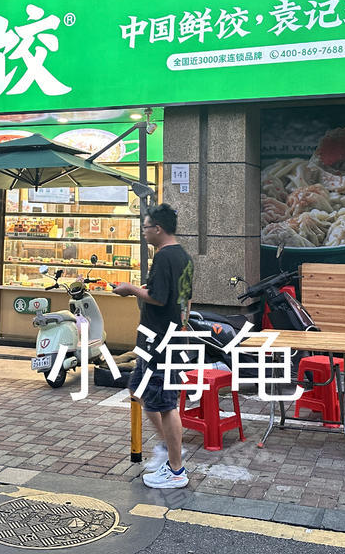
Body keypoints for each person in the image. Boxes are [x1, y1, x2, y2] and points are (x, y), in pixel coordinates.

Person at [113, 203, 193, 489]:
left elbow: (158, 297)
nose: (144, 232)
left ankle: (176, 469)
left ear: (158, 229)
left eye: (146, 227)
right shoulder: (183, 256)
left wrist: (130, 289)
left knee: (166, 404)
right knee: (138, 389)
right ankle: (168, 447)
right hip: (165, 338)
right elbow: (184, 299)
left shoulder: (163, 257)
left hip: (160, 341)